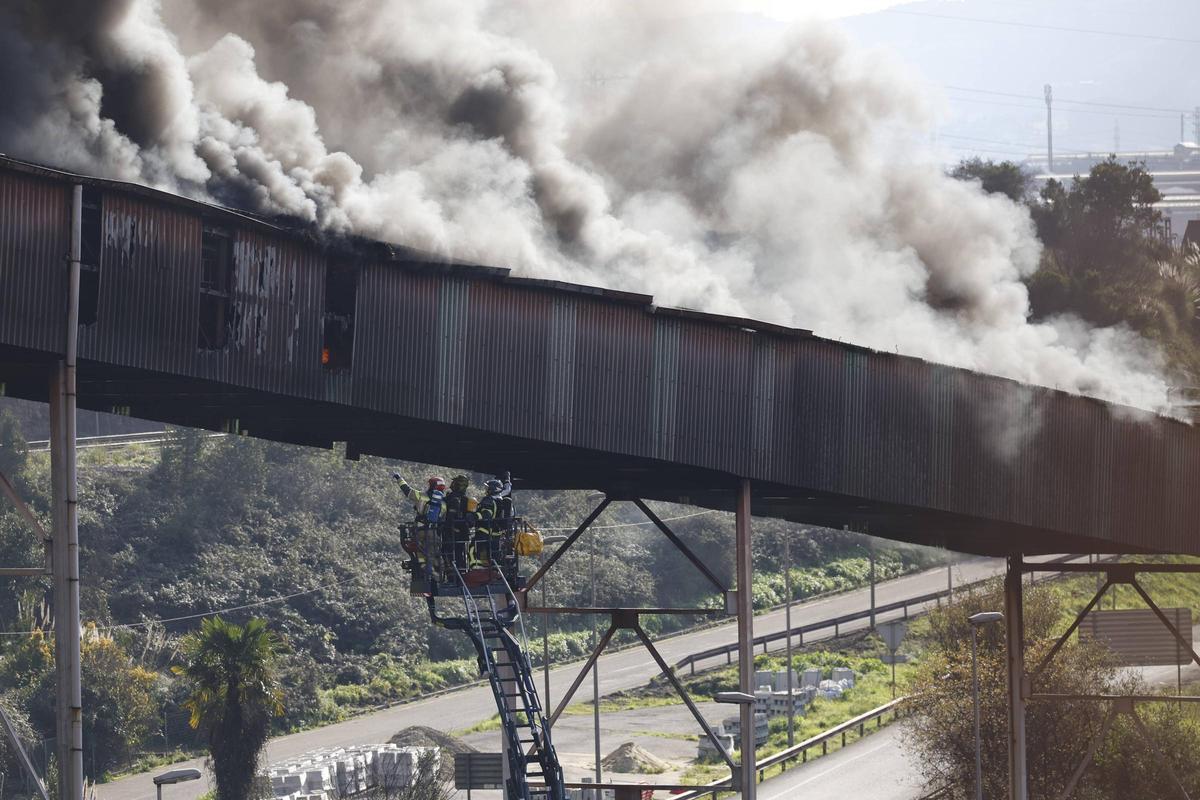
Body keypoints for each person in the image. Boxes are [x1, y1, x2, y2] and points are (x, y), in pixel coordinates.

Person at [394, 473, 447, 578]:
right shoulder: (444, 504)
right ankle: (440, 576)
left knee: (420, 552)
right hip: (433, 533)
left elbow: (407, 490)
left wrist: (399, 478)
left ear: (431, 485)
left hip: (420, 531)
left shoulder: (422, 496)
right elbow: (442, 521)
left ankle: (423, 572)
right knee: (435, 554)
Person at [469, 472, 512, 571]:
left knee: (473, 548)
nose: (486, 490)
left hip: (484, 530)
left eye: (488, 488)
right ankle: (495, 571)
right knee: (493, 554)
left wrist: (473, 516)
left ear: (492, 489)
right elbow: (507, 490)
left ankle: (475, 568)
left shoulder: (488, 500)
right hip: (496, 533)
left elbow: (486, 514)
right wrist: (507, 480)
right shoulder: (500, 499)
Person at [445, 475, 478, 571]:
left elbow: (449, 517)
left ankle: (454, 574)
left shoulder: (452, 499)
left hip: (452, 533)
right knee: (460, 554)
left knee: (450, 554)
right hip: (462, 533)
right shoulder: (466, 500)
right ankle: (461, 571)